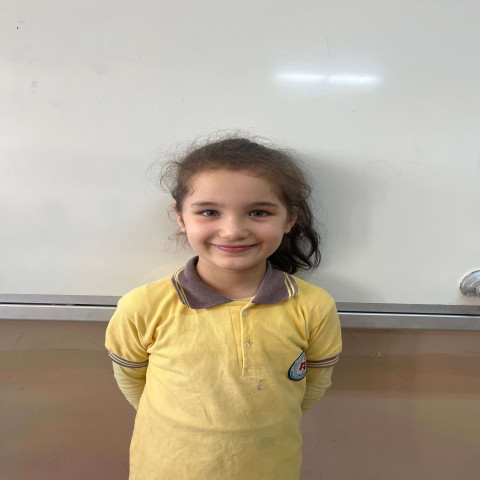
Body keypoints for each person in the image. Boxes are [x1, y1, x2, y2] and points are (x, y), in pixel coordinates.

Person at [105, 136, 342, 480]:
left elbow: (311, 386)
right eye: (209, 212)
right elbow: (132, 383)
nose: (232, 231)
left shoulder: (313, 307)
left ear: (289, 219)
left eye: (258, 212)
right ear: (181, 217)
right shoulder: (143, 306)